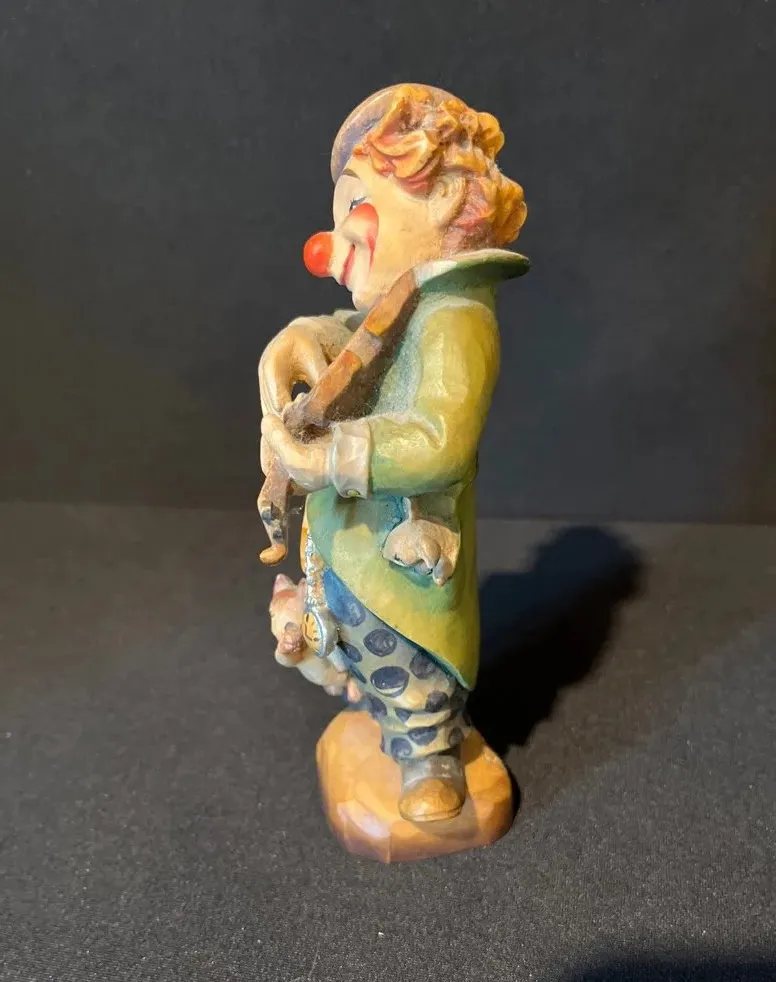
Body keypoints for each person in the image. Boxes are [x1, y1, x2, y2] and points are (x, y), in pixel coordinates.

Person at [259, 83, 528, 823]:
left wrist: (328, 459)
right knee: (351, 640)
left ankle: (431, 758)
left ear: (441, 197)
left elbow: (442, 439)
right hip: (352, 543)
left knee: (409, 661)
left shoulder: (457, 315)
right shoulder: (407, 301)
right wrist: (304, 337)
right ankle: (382, 718)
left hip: (404, 553)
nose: (329, 245)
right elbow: (362, 341)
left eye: (354, 205)